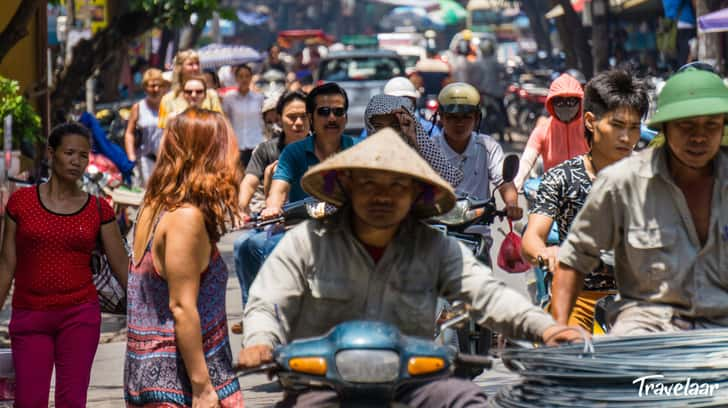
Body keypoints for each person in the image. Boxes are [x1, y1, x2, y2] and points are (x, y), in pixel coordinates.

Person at [237, 128, 582, 406]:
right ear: (348, 189)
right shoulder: (309, 240)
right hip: (324, 383)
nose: (382, 197)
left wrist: (544, 328)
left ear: (416, 196)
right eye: (369, 184)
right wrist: (260, 341)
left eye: (397, 187)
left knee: (465, 399)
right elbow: (266, 300)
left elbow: (487, 296)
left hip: (412, 382)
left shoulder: (432, 245)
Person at [554, 67, 728, 335]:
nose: (699, 137)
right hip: (647, 328)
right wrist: (558, 330)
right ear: (666, 128)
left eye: (711, 126)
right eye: (687, 126)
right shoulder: (621, 183)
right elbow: (574, 259)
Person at [0, 122, 128, 407]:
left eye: (83, 156)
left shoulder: (98, 209)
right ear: (50, 154)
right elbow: (6, 266)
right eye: (69, 152)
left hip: (79, 317)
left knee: (72, 401)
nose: (76, 161)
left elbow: (122, 267)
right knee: (29, 401)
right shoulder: (21, 203)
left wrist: (151, 314)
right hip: (29, 317)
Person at [124, 108, 244, 407]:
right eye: (227, 145)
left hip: (150, 375)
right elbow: (181, 308)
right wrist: (203, 388)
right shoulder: (184, 219)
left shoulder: (155, 203)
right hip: (182, 384)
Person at [521, 70, 649, 331]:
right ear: (590, 121)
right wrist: (546, 253)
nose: (626, 137)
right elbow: (532, 238)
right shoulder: (560, 178)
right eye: (617, 125)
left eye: (634, 127)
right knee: (561, 354)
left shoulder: (652, 178)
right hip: (579, 298)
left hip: (640, 303)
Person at [231, 91, 309, 334]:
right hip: (278, 222)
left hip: (317, 222)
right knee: (243, 244)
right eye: (291, 117)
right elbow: (249, 183)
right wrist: (239, 208)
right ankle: (253, 312)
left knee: (272, 246)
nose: (298, 123)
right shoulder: (266, 150)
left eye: (303, 117)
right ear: (278, 118)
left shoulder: (323, 146)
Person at [432, 82, 522, 261]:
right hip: (435, 236)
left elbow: (504, 182)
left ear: (476, 118)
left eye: (466, 117)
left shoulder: (487, 147)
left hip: (476, 234)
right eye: (452, 117)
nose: (459, 123)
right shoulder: (430, 148)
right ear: (441, 117)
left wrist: (512, 204)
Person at [363, 94, 463, 187]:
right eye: (378, 126)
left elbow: (451, 180)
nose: (386, 132)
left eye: (394, 126)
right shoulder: (361, 160)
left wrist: (414, 136)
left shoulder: (419, 155)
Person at [514, 73, 590, 191]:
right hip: (552, 195)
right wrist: (515, 186)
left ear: (580, 102)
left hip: (586, 194)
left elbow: (606, 159)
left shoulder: (590, 127)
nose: (565, 106)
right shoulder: (543, 130)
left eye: (571, 101)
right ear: (551, 103)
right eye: (559, 101)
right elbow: (526, 161)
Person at [358, 77, 441, 138]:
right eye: (395, 101)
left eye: (405, 100)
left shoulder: (428, 128)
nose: (401, 105)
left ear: (414, 102)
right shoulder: (373, 126)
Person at [158, 50, 222, 128]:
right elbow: (164, 129)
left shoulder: (211, 95)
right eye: (190, 64)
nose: (195, 67)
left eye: (197, 64)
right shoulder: (168, 99)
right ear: (180, 68)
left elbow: (220, 123)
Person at [124, 68, 165, 187]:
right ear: (145, 87)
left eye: (158, 85)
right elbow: (129, 133)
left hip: (166, 161)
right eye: (151, 86)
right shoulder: (138, 107)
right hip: (146, 159)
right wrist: (131, 156)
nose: (155, 89)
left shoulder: (168, 106)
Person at [223, 64, 265, 167]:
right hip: (237, 144)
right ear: (236, 78)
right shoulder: (229, 98)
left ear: (251, 78)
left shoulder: (259, 98)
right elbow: (226, 119)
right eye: (241, 76)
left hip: (256, 143)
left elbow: (262, 119)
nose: (244, 79)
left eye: (247, 76)